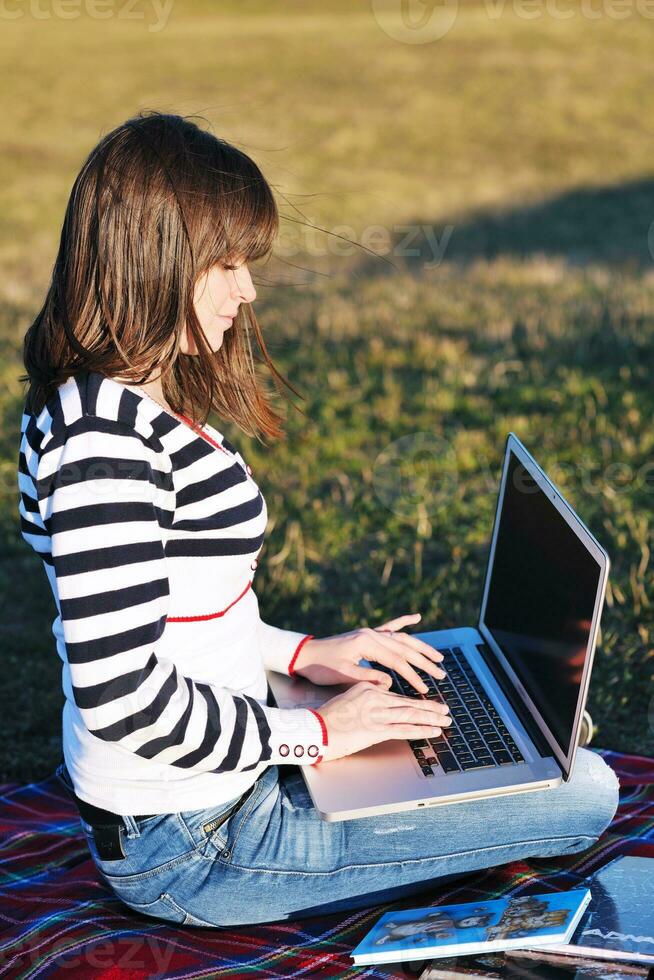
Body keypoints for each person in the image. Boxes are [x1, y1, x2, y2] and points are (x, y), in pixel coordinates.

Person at [17, 111, 620, 929]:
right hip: (196, 844)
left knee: (530, 760)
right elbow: (122, 695)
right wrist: (315, 736)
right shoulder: (101, 447)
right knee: (586, 792)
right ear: (152, 257)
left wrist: (307, 654)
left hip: (220, 787)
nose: (248, 289)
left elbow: (186, 616)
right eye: (225, 263)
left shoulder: (122, 402)